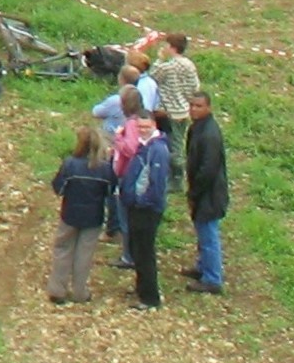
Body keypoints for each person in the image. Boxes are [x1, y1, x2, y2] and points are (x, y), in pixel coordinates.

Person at [48, 120, 116, 303]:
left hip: (70, 214)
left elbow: (58, 188)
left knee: (63, 249)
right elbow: (110, 192)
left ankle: (57, 290)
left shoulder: (70, 164)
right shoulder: (105, 169)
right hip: (93, 217)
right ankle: (80, 292)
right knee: (84, 254)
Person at [116, 112, 173, 309]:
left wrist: (141, 201)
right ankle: (142, 288)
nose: (142, 130)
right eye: (139, 127)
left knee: (145, 252)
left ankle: (150, 298)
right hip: (135, 206)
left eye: (146, 127)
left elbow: (156, 185)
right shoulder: (144, 146)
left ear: (154, 126)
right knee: (137, 250)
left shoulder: (158, 150)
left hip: (147, 210)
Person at [183, 94, 230, 293]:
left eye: (199, 106)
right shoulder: (197, 128)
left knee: (209, 234)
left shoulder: (209, 134)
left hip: (209, 193)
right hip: (203, 190)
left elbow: (208, 169)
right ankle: (203, 267)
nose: (194, 109)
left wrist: (194, 193)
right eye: (192, 105)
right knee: (203, 233)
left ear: (208, 108)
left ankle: (212, 278)